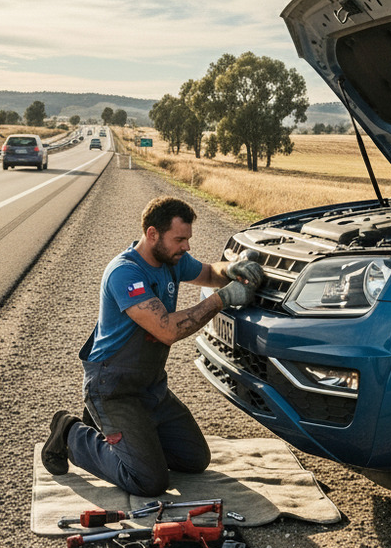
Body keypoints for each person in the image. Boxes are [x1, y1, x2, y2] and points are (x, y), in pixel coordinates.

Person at [43, 195, 264, 496]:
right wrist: (222, 299)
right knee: (148, 481)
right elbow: (167, 331)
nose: (187, 247)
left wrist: (232, 270)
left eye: (188, 239)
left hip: (151, 387)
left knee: (195, 459)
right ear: (152, 234)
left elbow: (210, 273)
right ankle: (70, 433)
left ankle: (130, 438)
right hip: (113, 388)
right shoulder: (125, 273)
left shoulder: (172, 261)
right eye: (180, 239)